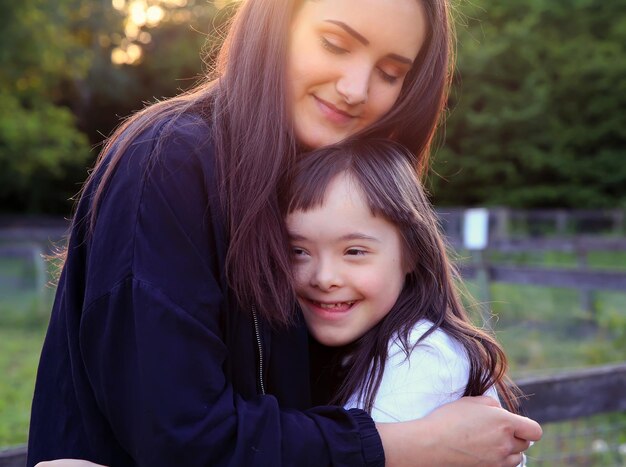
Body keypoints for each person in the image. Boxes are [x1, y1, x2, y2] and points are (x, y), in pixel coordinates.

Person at [28, 0, 542, 466]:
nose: (356, 89)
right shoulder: (171, 163)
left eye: (390, 73)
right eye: (335, 44)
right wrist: (409, 445)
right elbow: (179, 438)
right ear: (277, 23)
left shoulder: (313, 193)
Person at [281, 139, 519, 423]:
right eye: (299, 252)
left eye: (354, 251)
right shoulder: (342, 349)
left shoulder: (423, 358)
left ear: (412, 253)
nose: (323, 278)